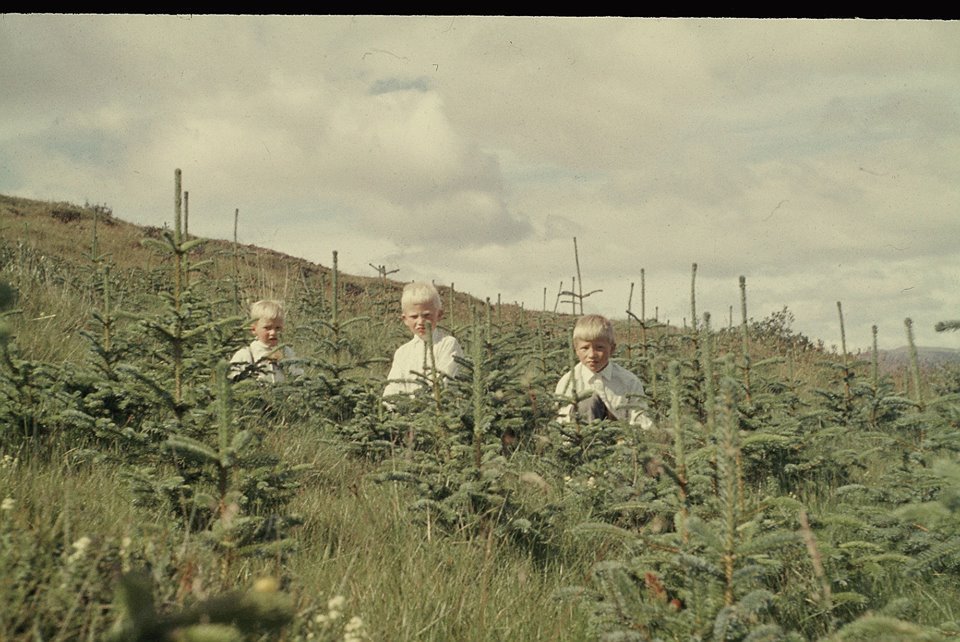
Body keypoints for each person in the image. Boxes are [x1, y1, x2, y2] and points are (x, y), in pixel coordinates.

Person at [555, 314, 653, 428]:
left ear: (612, 348)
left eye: (599, 348)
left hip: (621, 441)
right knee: (588, 402)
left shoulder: (628, 381)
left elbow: (641, 421)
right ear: (575, 349)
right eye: (585, 348)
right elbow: (562, 423)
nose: (591, 355)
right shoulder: (568, 382)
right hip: (582, 441)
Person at [383, 282, 463, 399]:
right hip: (406, 414)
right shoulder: (403, 352)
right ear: (405, 319)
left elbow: (444, 383)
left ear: (439, 315)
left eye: (426, 315)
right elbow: (392, 389)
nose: (420, 321)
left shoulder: (448, 344)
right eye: (414, 316)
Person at [229, 299, 303, 383]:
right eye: (267, 328)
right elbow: (232, 378)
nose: (273, 332)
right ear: (254, 329)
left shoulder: (287, 352)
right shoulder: (246, 354)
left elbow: (298, 377)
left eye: (278, 328)